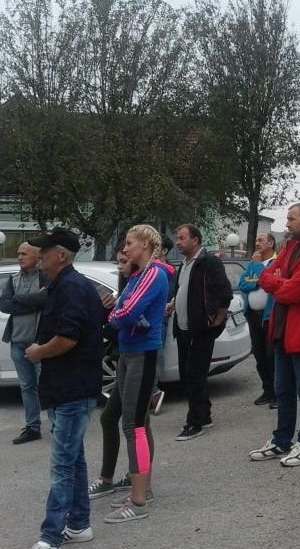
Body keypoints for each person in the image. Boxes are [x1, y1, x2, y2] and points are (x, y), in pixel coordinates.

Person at [25, 228, 105, 549]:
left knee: (62, 465)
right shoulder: (62, 285)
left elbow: (68, 338)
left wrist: (38, 351)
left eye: (45, 251)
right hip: (65, 387)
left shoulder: (72, 287)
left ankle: (51, 535)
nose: (39, 256)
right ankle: (79, 524)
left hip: (73, 387)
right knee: (73, 460)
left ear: (61, 255)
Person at [247, 204, 300, 466]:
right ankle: (282, 440)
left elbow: (290, 292)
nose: (287, 224)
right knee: (283, 390)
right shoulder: (291, 246)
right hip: (283, 330)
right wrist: (279, 281)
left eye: (291, 219)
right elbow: (266, 276)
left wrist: (278, 283)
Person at [102, 224, 169, 523]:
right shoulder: (137, 275)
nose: (125, 248)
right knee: (138, 423)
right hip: (130, 352)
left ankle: (140, 501)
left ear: (145, 244)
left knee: (134, 427)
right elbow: (120, 309)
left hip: (143, 353)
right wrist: (118, 313)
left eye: (130, 243)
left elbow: (125, 312)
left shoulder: (153, 273)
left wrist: (117, 316)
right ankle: (142, 490)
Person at [170, 223, 233, 441]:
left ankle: (194, 423)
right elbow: (183, 290)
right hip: (183, 328)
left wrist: (219, 317)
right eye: (177, 238)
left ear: (195, 240)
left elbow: (224, 292)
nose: (178, 242)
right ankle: (204, 414)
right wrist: (173, 304)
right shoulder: (185, 263)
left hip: (201, 328)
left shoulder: (209, 262)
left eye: (182, 238)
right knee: (188, 374)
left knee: (195, 375)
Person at [87, 250, 136, 502]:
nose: (119, 267)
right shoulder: (127, 287)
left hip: (138, 358)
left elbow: (130, 322)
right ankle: (112, 479)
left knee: (135, 425)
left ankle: (137, 481)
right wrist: (108, 310)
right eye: (118, 262)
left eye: (124, 261)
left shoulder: (144, 282)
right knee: (111, 419)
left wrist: (113, 313)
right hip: (124, 357)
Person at [0, 242, 47, 445]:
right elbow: (4, 304)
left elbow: (46, 299)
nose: (19, 257)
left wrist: (19, 299)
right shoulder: (13, 279)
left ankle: (57, 425)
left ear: (37, 256)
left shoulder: (45, 277)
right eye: (18, 253)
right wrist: (32, 301)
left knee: (46, 385)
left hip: (39, 343)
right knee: (27, 387)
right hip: (17, 342)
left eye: (24, 253)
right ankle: (32, 427)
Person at [238, 232, 277, 406]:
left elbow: (269, 281)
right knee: (260, 355)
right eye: (256, 240)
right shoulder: (253, 264)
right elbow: (242, 284)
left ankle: (277, 393)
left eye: (261, 240)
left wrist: (257, 267)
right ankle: (267, 390)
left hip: (269, 316)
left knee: (271, 355)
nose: (257, 243)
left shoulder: (275, 262)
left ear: (271, 243)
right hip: (253, 315)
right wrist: (255, 282)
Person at [149, 235, 177, 416]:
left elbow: (172, 294)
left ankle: (153, 392)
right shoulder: (145, 267)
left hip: (160, 318)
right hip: (147, 319)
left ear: (164, 250)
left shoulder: (169, 271)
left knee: (155, 355)